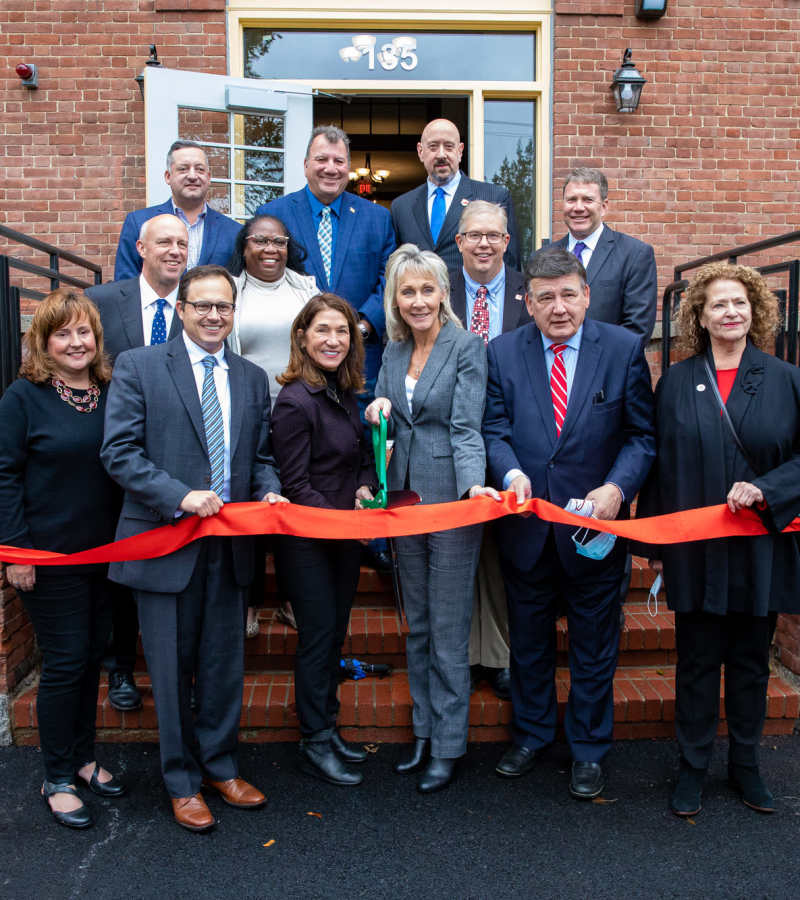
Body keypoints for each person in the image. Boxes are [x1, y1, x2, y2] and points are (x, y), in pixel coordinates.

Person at [100, 265, 286, 832]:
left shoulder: (253, 378)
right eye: (201, 305)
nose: (212, 316)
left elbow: (259, 458)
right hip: (165, 542)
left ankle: (220, 766)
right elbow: (119, 453)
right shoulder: (139, 367)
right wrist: (180, 496)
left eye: (223, 307)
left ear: (234, 314)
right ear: (180, 310)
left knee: (223, 666)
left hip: (229, 549)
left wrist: (271, 490)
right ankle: (180, 781)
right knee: (172, 669)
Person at [482, 246, 655, 799]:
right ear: (527, 303)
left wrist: (617, 488)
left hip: (594, 533)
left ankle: (588, 749)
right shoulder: (502, 353)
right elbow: (494, 429)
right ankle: (531, 735)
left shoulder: (624, 349)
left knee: (593, 646)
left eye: (568, 294)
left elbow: (641, 436)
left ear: (587, 295)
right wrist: (508, 472)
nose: (559, 307)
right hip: (527, 530)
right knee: (529, 645)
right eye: (545, 297)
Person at [637, 262, 800, 817]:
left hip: (759, 546)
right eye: (718, 305)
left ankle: (747, 765)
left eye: (739, 303)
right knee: (698, 662)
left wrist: (765, 488)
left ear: (754, 312)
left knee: (751, 662)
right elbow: (660, 466)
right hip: (695, 552)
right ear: (699, 318)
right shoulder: (678, 381)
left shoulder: (785, 378)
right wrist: (657, 547)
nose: (730, 312)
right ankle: (692, 766)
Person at [365, 244, 500, 794]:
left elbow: (466, 427)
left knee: (446, 628)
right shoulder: (394, 352)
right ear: (395, 300)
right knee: (416, 620)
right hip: (402, 497)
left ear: (444, 293)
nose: (418, 300)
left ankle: (447, 743)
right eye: (407, 291)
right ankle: (422, 731)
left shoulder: (466, 346)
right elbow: (385, 406)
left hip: (450, 499)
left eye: (427, 289)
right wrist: (376, 408)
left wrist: (473, 487)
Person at [0, 289, 126, 829]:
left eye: (84, 332)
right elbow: (4, 475)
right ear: (43, 341)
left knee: (94, 654)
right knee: (66, 662)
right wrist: (16, 551)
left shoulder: (109, 390)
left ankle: (83, 757)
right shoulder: (22, 398)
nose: (76, 342)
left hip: (110, 554)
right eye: (63, 333)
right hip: (48, 557)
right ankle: (55, 777)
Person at [271, 294, 378, 786]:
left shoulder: (344, 392)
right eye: (323, 331)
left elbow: (356, 458)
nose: (333, 340)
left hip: (342, 536)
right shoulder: (295, 400)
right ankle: (313, 739)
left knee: (334, 634)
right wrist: (342, 522)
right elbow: (296, 485)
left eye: (342, 331)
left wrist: (363, 487)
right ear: (302, 338)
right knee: (316, 639)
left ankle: (328, 728)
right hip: (309, 542)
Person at [86, 212, 189, 711]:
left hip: (178, 461)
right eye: (163, 242)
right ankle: (120, 667)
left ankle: (175, 669)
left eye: (182, 243)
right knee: (121, 567)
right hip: (116, 456)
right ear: (141, 249)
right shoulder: (103, 302)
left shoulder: (197, 308)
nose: (174, 250)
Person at [449, 199, 530, 700]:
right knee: (458, 551)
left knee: (505, 552)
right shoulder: (439, 290)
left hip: (512, 436)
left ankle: (499, 655)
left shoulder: (531, 291)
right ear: (459, 241)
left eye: (493, 235)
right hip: (448, 435)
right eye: (474, 235)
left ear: (506, 241)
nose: (483, 243)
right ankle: (459, 653)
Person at [255, 125, 396, 405]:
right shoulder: (273, 215)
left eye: (339, 161)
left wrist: (362, 327)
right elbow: (261, 280)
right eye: (322, 159)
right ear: (306, 165)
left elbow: (389, 280)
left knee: (360, 444)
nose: (330, 168)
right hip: (295, 361)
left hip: (359, 364)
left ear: (348, 167)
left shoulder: (377, 218)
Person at [226, 213, 318, 637]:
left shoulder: (306, 288)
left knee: (292, 501)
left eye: (278, 241)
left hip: (297, 412)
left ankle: (290, 597)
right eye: (260, 241)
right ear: (245, 246)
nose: (270, 249)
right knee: (250, 500)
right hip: (244, 410)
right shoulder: (230, 291)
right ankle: (249, 602)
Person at [391, 118, 520, 272]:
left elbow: (511, 265)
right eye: (433, 147)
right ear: (420, 151)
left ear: (460, 151)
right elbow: (395, 269)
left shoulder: (493, 198)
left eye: (448, 146)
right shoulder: (401, 207)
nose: (441, 154)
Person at [554, 166, 657, 342]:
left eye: (587, 200)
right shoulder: (543, 256)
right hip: (555, 366)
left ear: (603, 207)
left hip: (610, 367)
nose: (578, 208)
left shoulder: (634, 254)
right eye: (571, 200)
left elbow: (637, 330)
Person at [114, 140, 241, 281]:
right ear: (168, 177)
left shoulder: (234, 232)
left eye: (199, 169)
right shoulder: (139, 222)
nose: (193, 176)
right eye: (183, 169)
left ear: (209, 178)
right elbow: (125, 283)